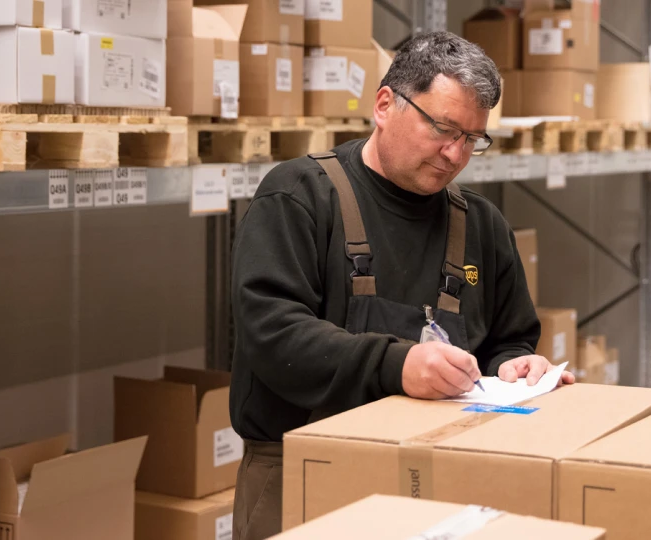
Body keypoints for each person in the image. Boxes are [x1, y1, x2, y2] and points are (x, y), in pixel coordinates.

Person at [227, 31, 575, 540]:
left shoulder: (481, 225)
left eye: (472, 139)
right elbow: (272, 334)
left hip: (441, 475)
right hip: (302, 471)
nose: (455, 153)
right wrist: (398, 364)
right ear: (385, 105)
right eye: (442, 127)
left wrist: (517, 366)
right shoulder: (299, 196)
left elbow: (508, 337)